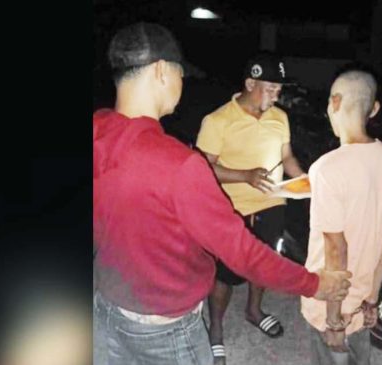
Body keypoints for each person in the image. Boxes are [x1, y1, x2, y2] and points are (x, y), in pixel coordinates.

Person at [93, 22, 352, 365]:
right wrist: (315, 284)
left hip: (105, 310)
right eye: (180, 73)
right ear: (160, 72)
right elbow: (243, 253)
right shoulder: (180, 164)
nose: (182, 83)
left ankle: (255, 311)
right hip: (166, 332)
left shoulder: (97, 129)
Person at [194, 52, 306, 364]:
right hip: (233, 210)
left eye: (279, 90)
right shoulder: (218, 121)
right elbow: (203, 167)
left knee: (263, 265)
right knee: (226, 275)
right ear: (249, 83)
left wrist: (305, 180)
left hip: (272, 204)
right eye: (270, 88)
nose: (276, 95)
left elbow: (287, 158)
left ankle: (254, 311)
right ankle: (216, 327)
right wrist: (244, 175)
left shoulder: (279, 118)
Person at [300, 68, 382, 365]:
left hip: (329, 306)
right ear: (373, 108)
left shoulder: (327, 168)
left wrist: (333, 321)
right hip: (360, 303)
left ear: (334, 102)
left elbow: (336, 249)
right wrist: (372, 297)